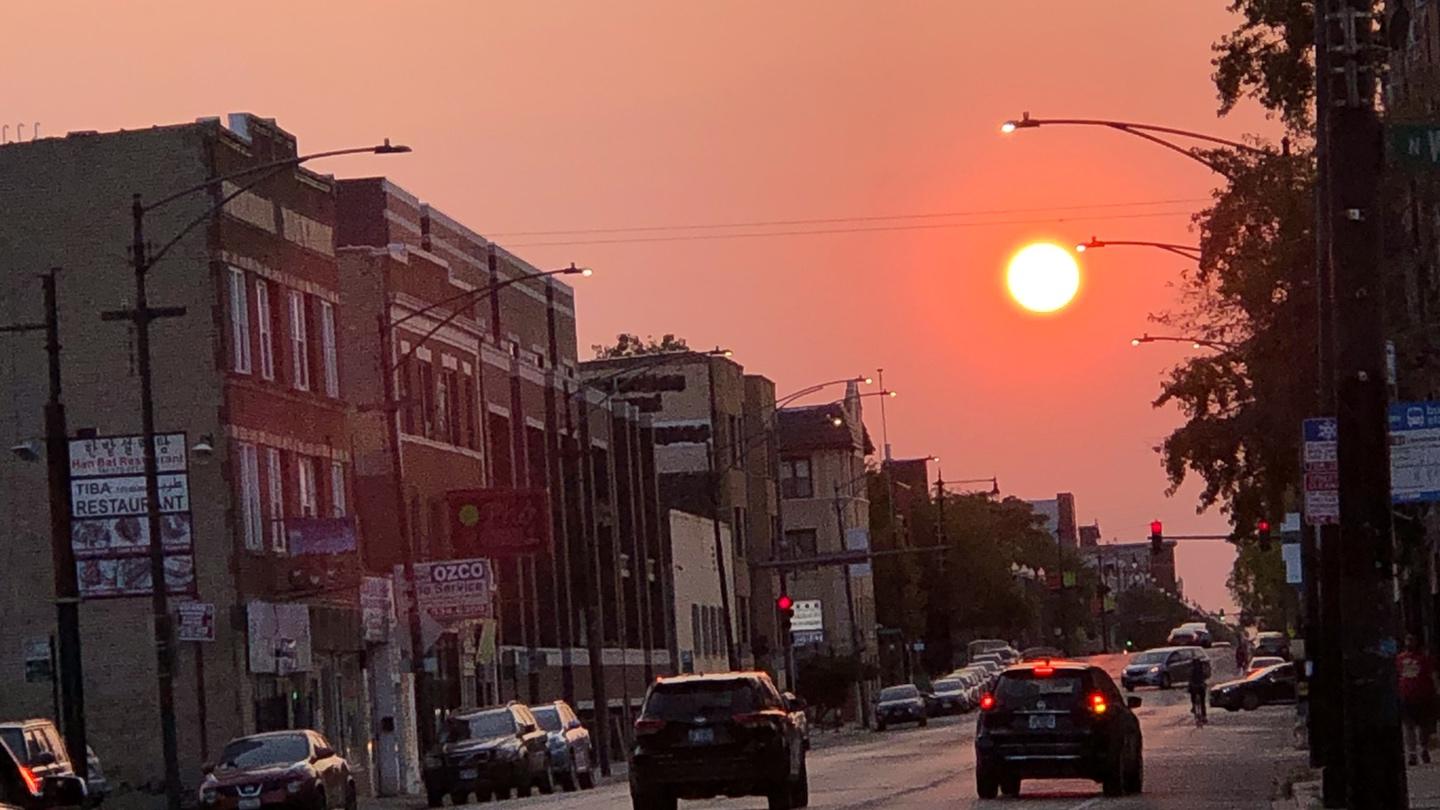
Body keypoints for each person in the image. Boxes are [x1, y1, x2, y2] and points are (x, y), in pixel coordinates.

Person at [1397, 634, 1436, 766]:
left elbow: (1432, 675)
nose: (1410, 643)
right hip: (1406, 696)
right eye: (1408, 640)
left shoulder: (1423, 658)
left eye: (1412, 640)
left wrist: (1435, 691)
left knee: (1423, 726)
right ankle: (1412, 753)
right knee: (1409, 727)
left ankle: (1424, 749)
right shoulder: (1400, 659)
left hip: (1423, 695)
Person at [1189, 656, 1209, 725]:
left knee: (1193, 696)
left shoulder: (1192, 669)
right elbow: (1205, 676)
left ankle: (1194, 707)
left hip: (1195, 686)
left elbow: (1190, 678)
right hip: (1200, 686)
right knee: (1202, 702)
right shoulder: (1201, 669)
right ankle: (1204, 716)